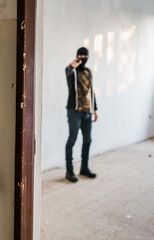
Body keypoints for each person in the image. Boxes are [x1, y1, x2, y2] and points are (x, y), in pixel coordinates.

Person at [64, 47, 98, 183]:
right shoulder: (72, 72)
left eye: (85, 55)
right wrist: (72, 65)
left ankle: (84, 168)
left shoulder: (88, 71)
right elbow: (68, 71)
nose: (83, 57)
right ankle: (69, 171)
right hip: (74, 111)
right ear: (76, 56)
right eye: (80, 55)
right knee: (72, 140)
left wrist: (95, 109)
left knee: (88, 140)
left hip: (87, 112)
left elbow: (91, 91)